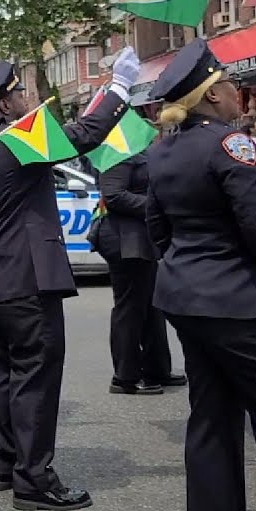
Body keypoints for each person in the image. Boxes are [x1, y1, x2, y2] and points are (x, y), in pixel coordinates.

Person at [0, 52, 140, 511]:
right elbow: (84, 135)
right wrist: (119, 87)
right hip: (28, 279)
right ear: (1, 106)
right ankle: (34, 479)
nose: (25, 99)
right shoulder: (16, 140)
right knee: (36, 377)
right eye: (18, 94)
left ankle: (7, 463)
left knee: (7, 375)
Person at [145, 39, 256, 511]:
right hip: (241, 300)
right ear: (211, 95)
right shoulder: (232, 145)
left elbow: (158, 229)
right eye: (228, 84)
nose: (237, 92)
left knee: (212, 419)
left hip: (187, 295)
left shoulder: (162, 153)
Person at [94, 98, 181, 395]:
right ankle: (126, 375)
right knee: (130, 308)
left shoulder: (139, 148)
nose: (153, 119)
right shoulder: (118, 151)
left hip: (142, 237)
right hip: (123, 238)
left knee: (151, 306)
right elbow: (115, 195)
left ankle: (157, 368)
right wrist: (155, 206)